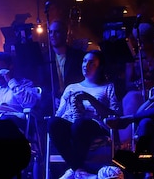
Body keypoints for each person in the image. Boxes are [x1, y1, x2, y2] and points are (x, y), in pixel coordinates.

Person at [48, 49, 120, 179]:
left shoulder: (107, 87)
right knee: (53, 122)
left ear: (100, 67)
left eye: (91, 63)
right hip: (72, 123)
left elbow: (114, 115)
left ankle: (73, 169)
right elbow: (59, 114)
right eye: (84, 61)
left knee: (80, 124)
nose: (85, 66)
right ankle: (78, 169)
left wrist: (90, 99)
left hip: (94, 127)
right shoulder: (71, 87)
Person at [118, 21, 154, 146]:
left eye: (147, 40)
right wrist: (140, 84)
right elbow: (127, 84)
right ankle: (129, 141)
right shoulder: (133, 60)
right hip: (138, 93)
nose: (143, 44)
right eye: (142, 41)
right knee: (131, 97)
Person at [44, 19, 86, 113]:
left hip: (74, 101)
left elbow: (82, 80)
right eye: (50, 32)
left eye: (56, 32)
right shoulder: (45, 58)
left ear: (65, 33)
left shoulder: (77, 56)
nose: (52, 35)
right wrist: (53, 98)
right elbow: (43, 84)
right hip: (53, 102)